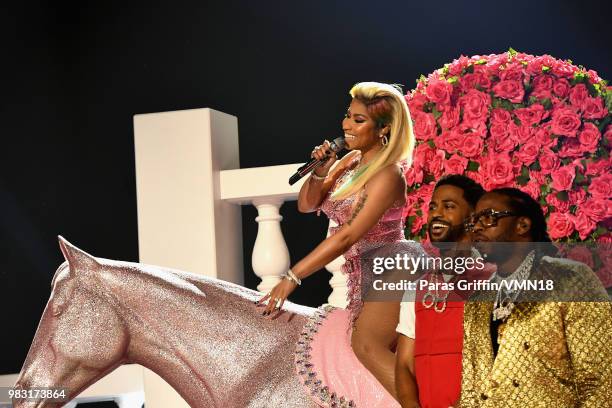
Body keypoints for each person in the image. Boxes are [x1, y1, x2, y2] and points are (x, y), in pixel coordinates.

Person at [257, 82, 416, 405]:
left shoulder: (388, 174)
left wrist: (293, 276)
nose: (346, 125)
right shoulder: (350, 162)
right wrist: (321, 170)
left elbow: (348, 234)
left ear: (384, 129)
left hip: (392, 266)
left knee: (367, 346)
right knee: (366, 351)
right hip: (362, 271)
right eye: (348, 116)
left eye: (359, 120)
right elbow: (307, 204)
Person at [459, 188, 612, 407]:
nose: (477, 227)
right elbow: (471, 393)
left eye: (488, 217)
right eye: (473, 221)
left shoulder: (569, 278)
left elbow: (602, 380)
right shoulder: (477, 301)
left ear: (522, 225)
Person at [395, 175, 486, 408]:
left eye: (449, 207)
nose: (436, 214)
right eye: (433, 207)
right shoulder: (416, 289)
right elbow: (404, 363)